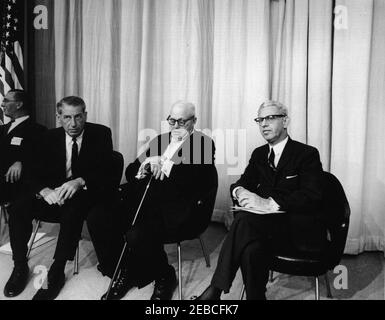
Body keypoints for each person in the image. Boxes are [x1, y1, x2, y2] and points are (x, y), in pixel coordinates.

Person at [196, 100, 326, 300]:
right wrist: (240, 192)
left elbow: (313, 196)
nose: (264, 124)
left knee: (245, 222)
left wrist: (268, 203)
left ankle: (215, 290)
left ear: (285, 121)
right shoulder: (259, 154)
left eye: (270, 118)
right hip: (265, 227)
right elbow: (241, 183)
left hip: (297, 229)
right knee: (250, 249)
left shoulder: (307, 154)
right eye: (260, 119)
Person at [87, 101, 217, 300]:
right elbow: (131, 171)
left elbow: (193, 182)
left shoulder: (203, 143)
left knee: (136, 232)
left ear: (194, 122)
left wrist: (163, 164)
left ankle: (164, 275)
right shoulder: (160, 140)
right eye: (171, 120)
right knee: (98, 217)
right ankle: (125, 269)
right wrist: (146, 164)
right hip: (142, 202)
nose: (175, 126)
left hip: (179, 209)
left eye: (181, 122)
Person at [3, 96, 113, 300]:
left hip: (81, 194)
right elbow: (31, 172)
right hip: (51, 194)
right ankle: (19, 265)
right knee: (19, 208)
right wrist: (44, 190)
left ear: (85, 115)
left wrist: (80, 180)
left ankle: (57, 269)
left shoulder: (101, 133)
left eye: (78, 117)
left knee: (74, 210)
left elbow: (107, 169)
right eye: (67, 117)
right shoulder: (47, 137)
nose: (73, 124)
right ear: (59, 117)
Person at [0, 90, 47, 204]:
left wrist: (22, 162)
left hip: (19, 191)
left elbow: (42, 158)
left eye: (6, 100)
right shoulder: (2, 129)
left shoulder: (37, 130)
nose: (2, 104)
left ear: (19, 104)